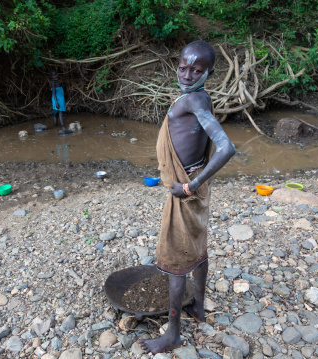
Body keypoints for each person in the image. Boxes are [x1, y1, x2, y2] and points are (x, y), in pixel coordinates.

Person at [139, 40, 236, 354]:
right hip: (195, 185)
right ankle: (198, 306)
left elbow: (226, 148)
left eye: (196, 69)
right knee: (198, 246)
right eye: (183, 66)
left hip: (186, 191)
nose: (186, 73)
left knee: (175, 260)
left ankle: (173, 335)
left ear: (210, 71)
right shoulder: (199, 97)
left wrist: (190, 186)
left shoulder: (194, 100)